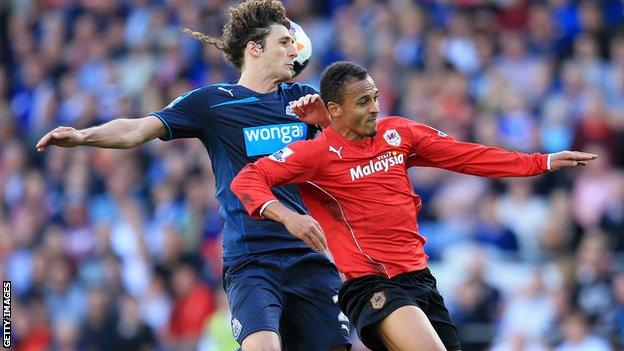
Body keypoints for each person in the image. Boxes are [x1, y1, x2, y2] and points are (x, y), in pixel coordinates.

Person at [35, 1, 350, 350]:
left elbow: (352, 158)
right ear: (254, 49)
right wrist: (83, 136)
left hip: (307, 253)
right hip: (252, 259)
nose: (296, 49)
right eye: (284, 42)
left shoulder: (306, 101)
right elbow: (138, 129)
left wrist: (330, 126)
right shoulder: (213, 102)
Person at [230, 61, 597, 351]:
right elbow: (246, 179)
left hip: (420, 279)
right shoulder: (314, 154)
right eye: (363, 102)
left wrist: (541, 162)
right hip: (371, 284)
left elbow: (466, 156)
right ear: (335, 111)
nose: (375, 107)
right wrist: (288, 216)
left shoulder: (398, 133)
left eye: (374, 97)